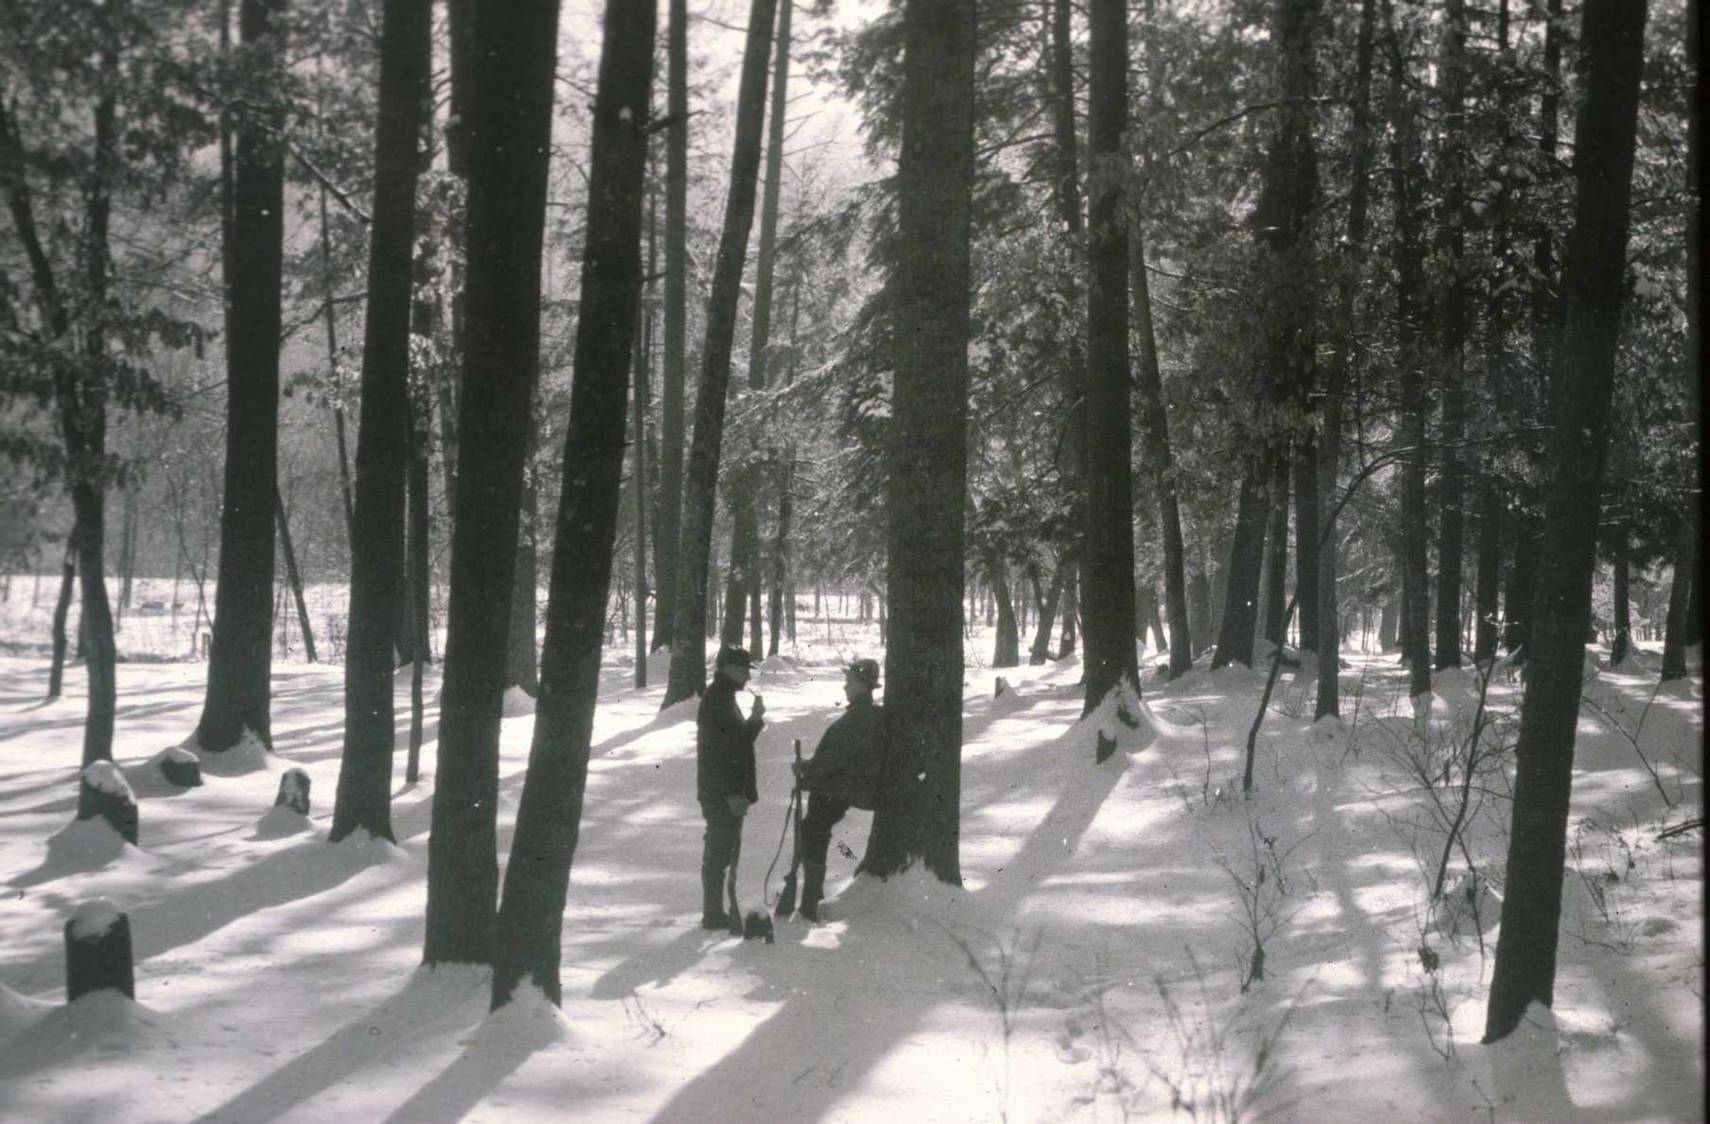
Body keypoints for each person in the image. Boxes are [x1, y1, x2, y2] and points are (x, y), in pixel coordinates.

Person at [791, 657, 884, 921]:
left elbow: (834, 759)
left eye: (849, 682)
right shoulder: (866, 714)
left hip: (843, 788)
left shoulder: (858, 717)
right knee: (814, 830)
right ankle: (813, 895)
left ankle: (810, 902)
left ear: (860, 685)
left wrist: (805, 769)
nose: (845, 687)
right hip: (845, 785)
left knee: (813, 831)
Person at [696, 645, 765, 929]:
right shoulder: (718, 701)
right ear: (728, 669)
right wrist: (732, 795)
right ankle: (712, 914)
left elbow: (737, 743)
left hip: (723, 792)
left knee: (721, 849)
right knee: (718, 851)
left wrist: (755, 720)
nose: (747, 677)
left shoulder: (723, 697)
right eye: (743, 670)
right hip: (722, 793)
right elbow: (723, 755)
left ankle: (714, 911)